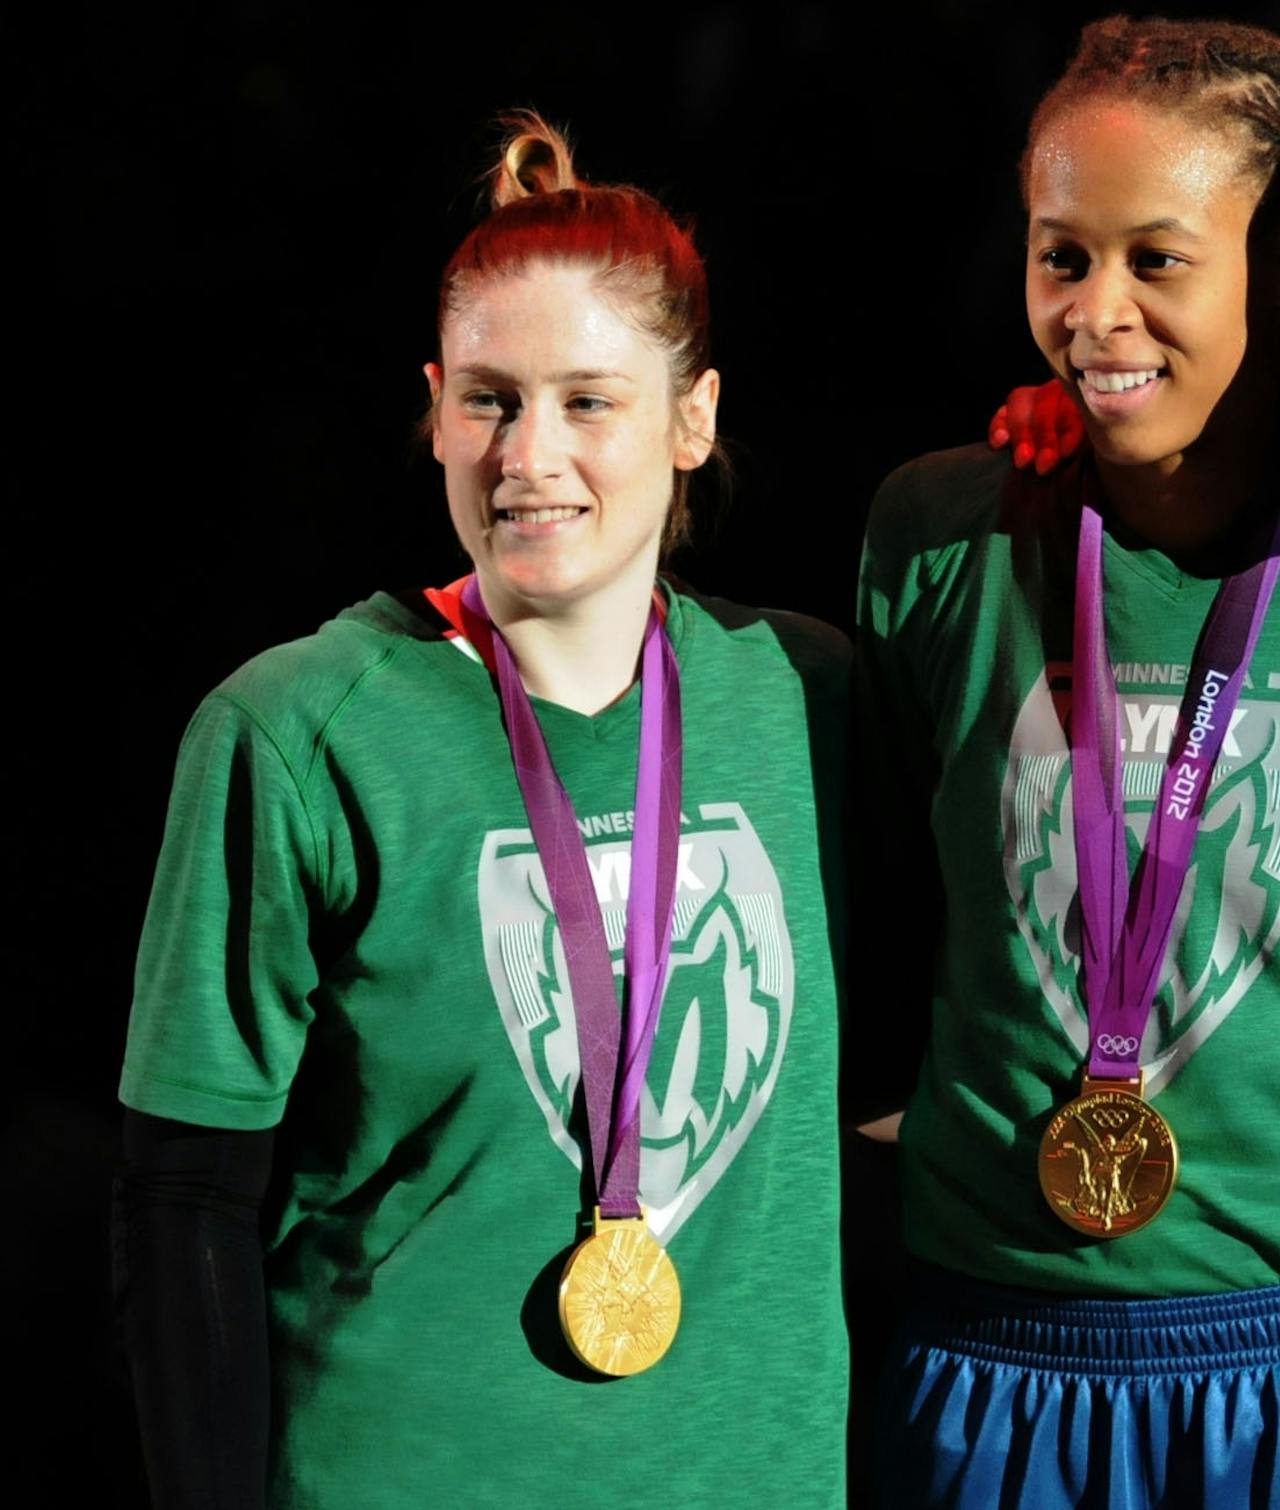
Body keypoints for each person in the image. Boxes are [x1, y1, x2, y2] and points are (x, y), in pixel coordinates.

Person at [850, 16, 1280, 1508]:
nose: (1097, 314)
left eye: (1156, 260)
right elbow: (892, 926)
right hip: (990, 1354)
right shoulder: (938, 531)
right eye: (1062, 258)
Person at [113, 115, 850, 1508]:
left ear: (693, 418)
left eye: (589, 401)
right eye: (491, 400)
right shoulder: (297, 732)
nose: (529, 455)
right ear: (435, 406)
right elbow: (184, 1198)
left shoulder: (807, 700)